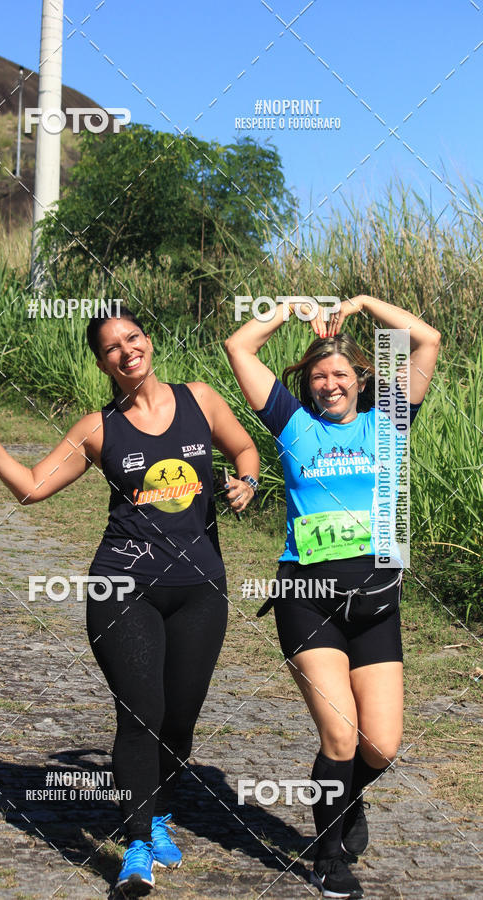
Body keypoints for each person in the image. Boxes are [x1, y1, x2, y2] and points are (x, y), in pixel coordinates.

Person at [0, 306, 259, 893]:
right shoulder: (96, 428)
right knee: (140, 711)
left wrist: (245, 481)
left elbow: (245, 450)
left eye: (133, 338)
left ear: (148, 341)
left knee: (179, 717)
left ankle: (162, 812)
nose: (126, 352)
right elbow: (31, 488)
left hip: (201, 588)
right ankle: (137, 843)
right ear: (102, 363)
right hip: (122, 586)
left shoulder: (201, 399)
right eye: (111, 349)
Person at [225, 295, 440, 899]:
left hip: (376, 600)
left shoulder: (389, 420)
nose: (328, 384)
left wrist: (364, 303)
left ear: (360, 379)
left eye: (340, 374)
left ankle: (348, 800)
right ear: (309, 384)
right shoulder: (294, 425)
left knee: (382, 744)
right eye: (319, 375)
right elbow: (240, 347)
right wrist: (291, 307)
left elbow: (428, 340)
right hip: (307, 596)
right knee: (341, 736)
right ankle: (327, 857)